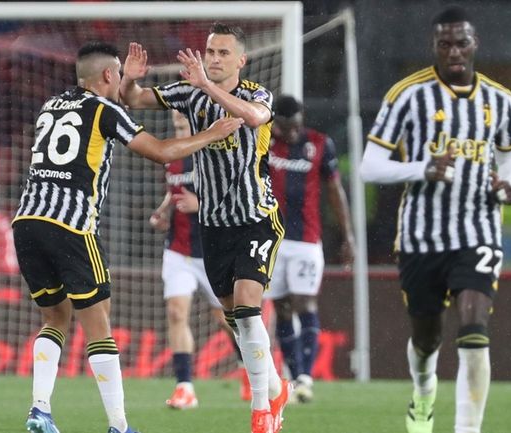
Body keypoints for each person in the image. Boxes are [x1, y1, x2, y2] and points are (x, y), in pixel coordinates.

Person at [13, 41, 242, 433]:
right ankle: (119, 426)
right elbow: (161, 151)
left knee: (54, 317)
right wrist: (211, 133)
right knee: (98, 323)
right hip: (70, 225)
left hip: (27, 220)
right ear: (107, 76)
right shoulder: (104, 109)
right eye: (119, 73)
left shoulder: (51, 106)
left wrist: (133, 82)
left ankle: (40, 410)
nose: (121, 79)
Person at [360, 6, 511, 433]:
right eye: (444, 44)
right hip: (420, 237)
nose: (454, 51)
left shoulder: (500, 99)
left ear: (475, 44)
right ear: (433, 46)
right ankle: (423, 391)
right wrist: (420, 168)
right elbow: (369, 167)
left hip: (479, 229)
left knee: (473, 329)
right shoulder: (407, 95)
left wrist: (509, 184)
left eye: (461, 42)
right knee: (427, 339)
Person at [122, 23, 292, 433]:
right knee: (236, 318)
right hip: (213, 227)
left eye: (221, 53)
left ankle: (260, 412)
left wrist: (206, 85)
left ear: (241, 60)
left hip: (256, 219)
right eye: (210, 51)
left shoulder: (256, 94)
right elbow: (135, 100)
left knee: (250, 310)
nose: (213, 59)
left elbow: (252, 117)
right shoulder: (189, 94)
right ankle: (274, 388)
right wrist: (129, 78)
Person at [149, 110, 250, 409]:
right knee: (177, 313)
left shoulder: (212, 153)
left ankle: (251, 371)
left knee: (227, 319)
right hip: (178, 250)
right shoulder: (170, 155)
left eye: (184, 118)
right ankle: (185, 388)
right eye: (176, 119)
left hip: (212, 249)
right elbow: (174, 191)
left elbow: (237, 196)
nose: (178, 123)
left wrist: (200, 203)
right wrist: (163, 211)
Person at [264, 95, 355, 403]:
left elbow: (334, 190)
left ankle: (304, 376)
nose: (292, 134)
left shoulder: (319, 143)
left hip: (305, 241)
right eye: (286, 128)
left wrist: (348, 237)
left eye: (296, 127)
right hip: (271, 240)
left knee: (305, 303)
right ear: (275, 123)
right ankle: (296, 375)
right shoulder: (264, 143)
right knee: (283, 308)